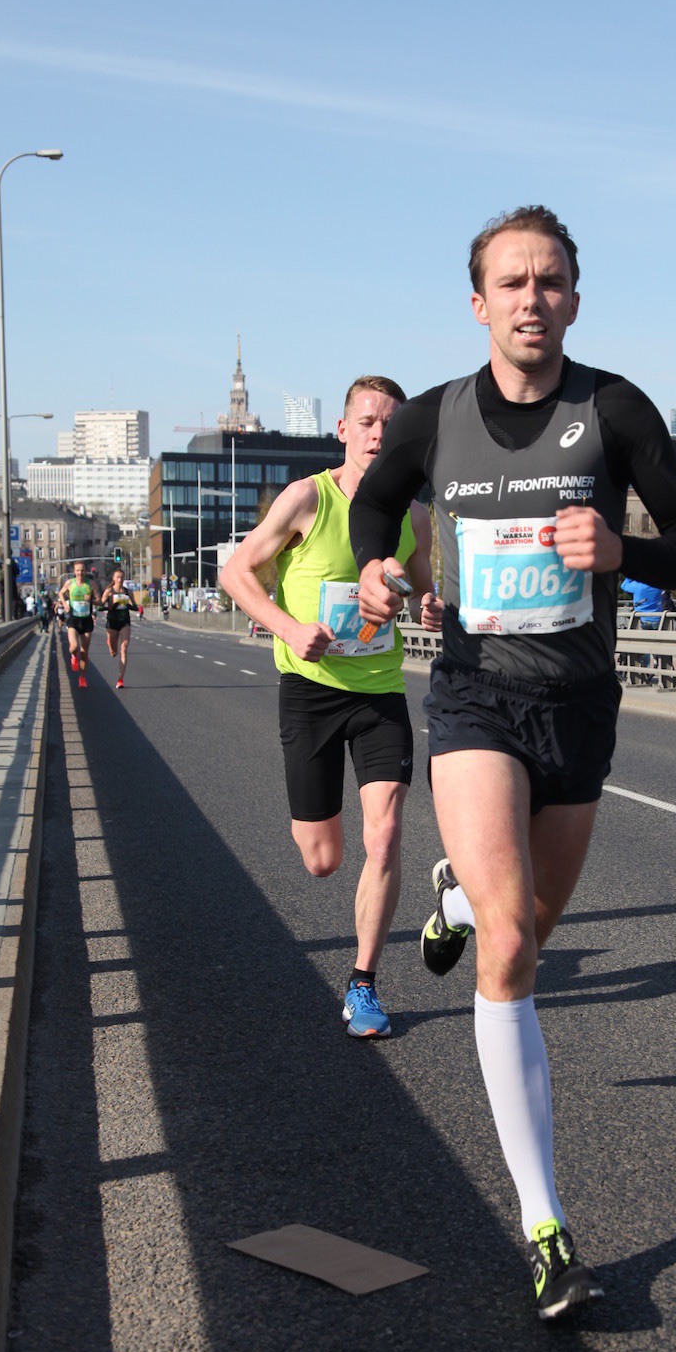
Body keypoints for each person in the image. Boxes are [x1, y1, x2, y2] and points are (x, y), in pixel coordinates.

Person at [350, 206, 676, 1319]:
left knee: (529, 928)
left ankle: (456, 892)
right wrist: (374, 568)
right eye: (511, 283)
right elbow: (376, 503)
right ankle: (546, 1226)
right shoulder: (433, 417)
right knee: (510, 950)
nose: (530, 299)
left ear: (574, 299)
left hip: (579, 706)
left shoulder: (613, 409)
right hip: (474, 696)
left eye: (549, 281)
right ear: (478, 304)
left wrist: (622, 549)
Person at [221, 376, 443, 1039]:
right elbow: (236, 572)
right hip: (310, 692)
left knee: (386, 835)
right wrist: (289, 629)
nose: (378, 434)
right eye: (367, 422)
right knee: (322, 859)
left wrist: (431, 606)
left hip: (379, 692)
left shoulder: (415, 516)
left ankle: (364, 983)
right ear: (343, 430)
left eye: (390, 425)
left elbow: (423, 590)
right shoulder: (306, 499)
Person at [58, 561, 103, 687]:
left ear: (85, 571)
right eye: (78, 570)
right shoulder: (69, 583)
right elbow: (60, 593)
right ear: (74, 572)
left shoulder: (91, 584)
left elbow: (100, 601)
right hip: (73, 619)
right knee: (74, 647)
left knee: (84, 652)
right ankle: (73, 656)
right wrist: (65, 604)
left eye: (82, 570)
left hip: (86, 620)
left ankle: (82, 677)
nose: (80, 573)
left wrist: (92, 600)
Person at [100, 567, 144, 688]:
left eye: (122, 577)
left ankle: (120, 679)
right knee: (114, 652)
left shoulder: (127, 592)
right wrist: (111, 607)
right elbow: (100, 606)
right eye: (118, 577)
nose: (120, 579)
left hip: (125, 622)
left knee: (123, 648)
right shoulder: (109, 591)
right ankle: (110, 644)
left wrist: (129, 606)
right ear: (114, 578)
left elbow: (135, 607)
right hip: (112, 622)